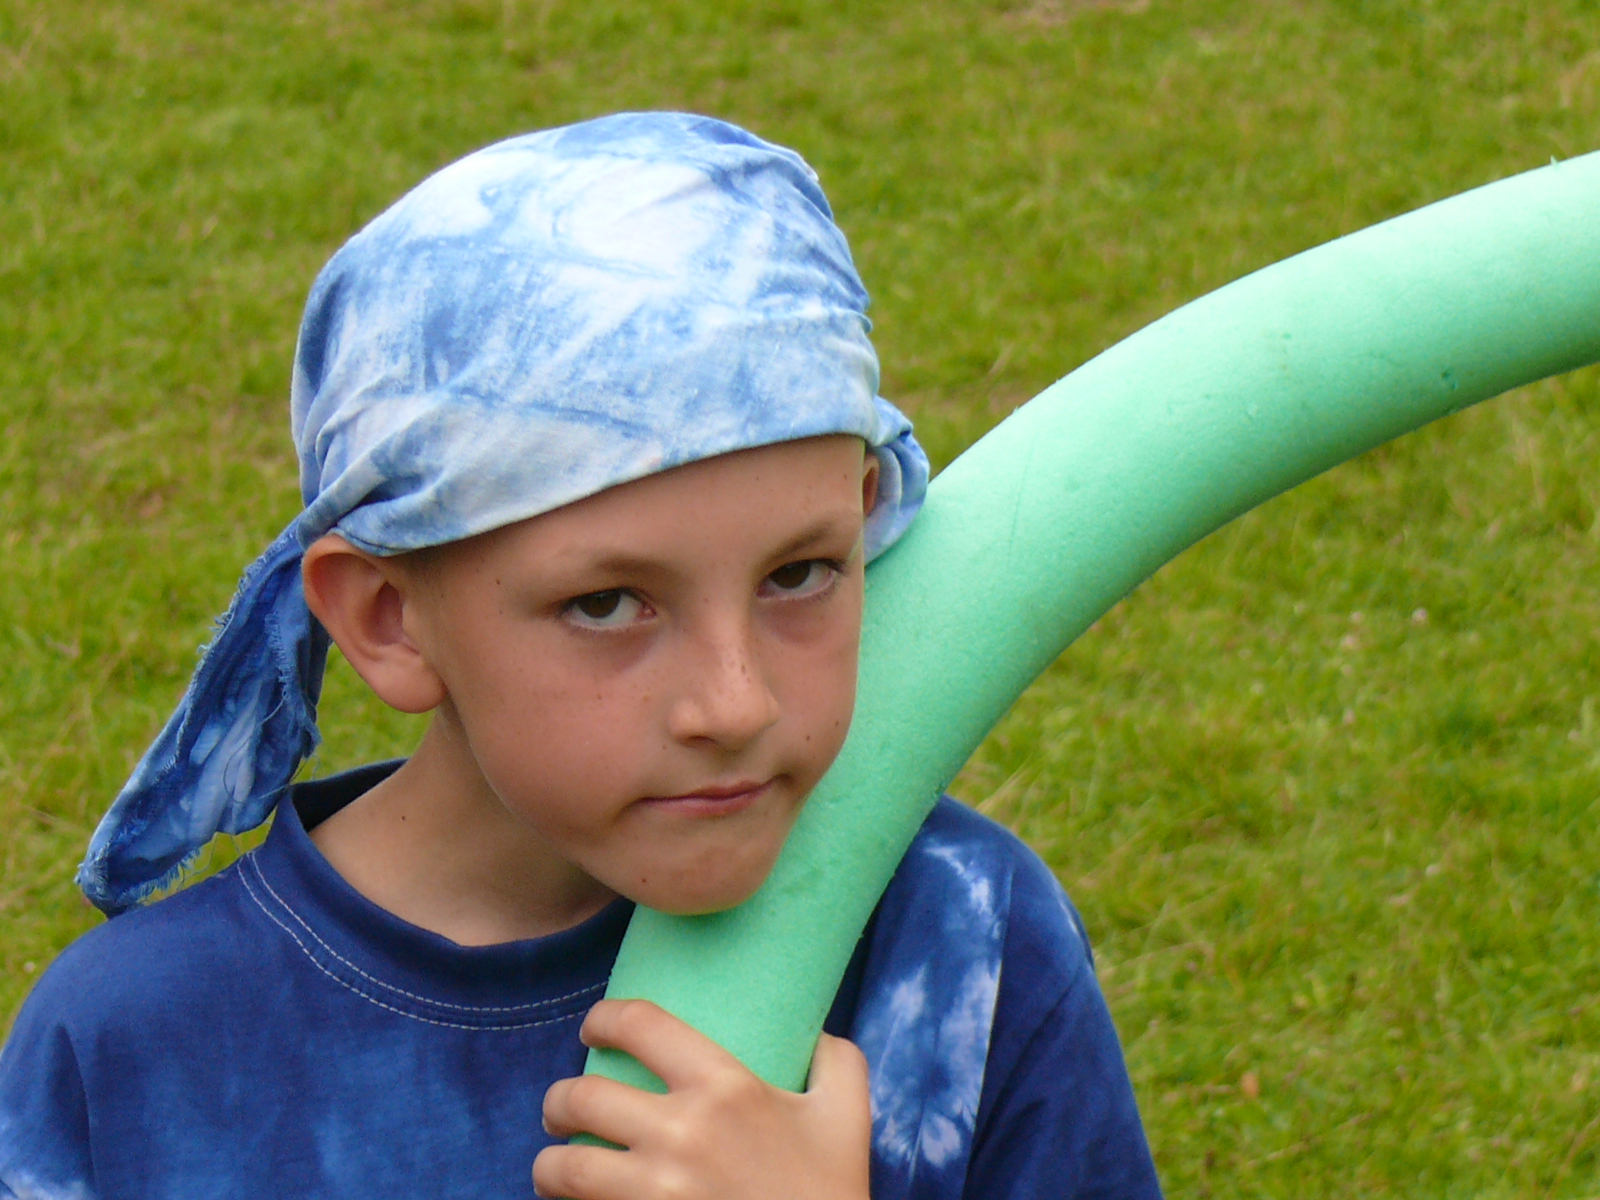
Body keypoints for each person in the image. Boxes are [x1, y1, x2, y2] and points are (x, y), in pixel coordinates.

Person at [0, 113, 1162, 1200]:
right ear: (388, 619)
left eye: (799, 573)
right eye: (608, 603)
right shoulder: (134, 1044)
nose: (734, 704)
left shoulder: (963, 937)